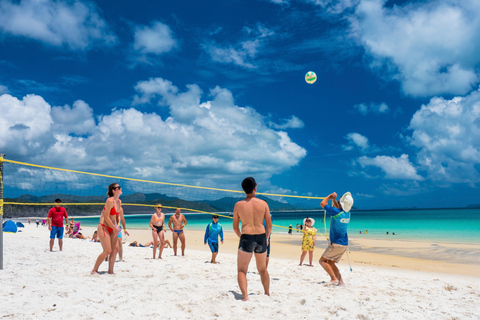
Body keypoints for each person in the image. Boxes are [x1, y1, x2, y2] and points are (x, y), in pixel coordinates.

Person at [232, 177, 272, 301]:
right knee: (262, 269)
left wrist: (241, 237)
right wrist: (266, 237)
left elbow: (235, 227)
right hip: (261, 236)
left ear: (243, 189)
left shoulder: (238, 205)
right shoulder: (263, 203)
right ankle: (267, 293)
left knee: (242, 270)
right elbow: (269, 225)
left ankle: (245, 297)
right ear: (255, 187)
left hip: (246, 237)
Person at [319, 192, 353, 286]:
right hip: (344, 244)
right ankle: (341, 282)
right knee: (331, 262)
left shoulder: (336, 213)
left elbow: (322, 203)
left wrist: (329, 196)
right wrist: (334, 199)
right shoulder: (347, 214)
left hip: (336, 243)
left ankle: (333, 278)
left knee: (322, 261)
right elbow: (339, 208)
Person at [91, 183, 122, 275]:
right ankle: (94, 270)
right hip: (104, 226)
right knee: (107, 250)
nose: (120, 189)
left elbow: (118, 215)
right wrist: (114, 227)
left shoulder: (119, 201)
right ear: (113, 190)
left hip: (113, 227)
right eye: (118, 188)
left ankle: (110, 271)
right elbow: (106, 217)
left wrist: (118, 225)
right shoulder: (109, 200)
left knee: (115, 249)